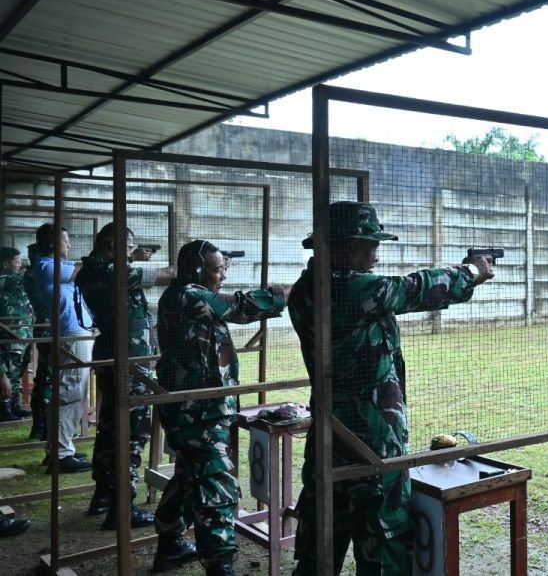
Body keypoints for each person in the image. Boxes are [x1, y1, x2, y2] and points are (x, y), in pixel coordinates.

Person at [288, 201, 496, 575]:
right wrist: (472, 271)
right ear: (348, 247)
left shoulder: (306, 288)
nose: (376, 254)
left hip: (330, 433)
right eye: (371, 245)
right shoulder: (351, 290)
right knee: (383, 544)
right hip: (371, 443)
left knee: (321, 540)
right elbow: (415, 288)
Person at [151, 240, 286, 576]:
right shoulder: (189, 295)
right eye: (217, 269)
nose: (223, 275)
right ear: (197, 270)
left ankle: (170, 544)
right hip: (197, 411)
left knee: (189, 476)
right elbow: (239, 307)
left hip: (197, 408)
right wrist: (286, 293)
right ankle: (219, 563)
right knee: (217, 482)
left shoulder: (184, 295)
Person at [76, 223, 175, 527]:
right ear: (111, 243)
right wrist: (181, 270)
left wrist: (132, 255)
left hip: (118, 355)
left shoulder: (96, 268)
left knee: (110, 426)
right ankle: (123, 508)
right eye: (128, 246)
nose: (131, 252)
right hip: (127, 361)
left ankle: (104, 495)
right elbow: (161, 275)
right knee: (132, 430)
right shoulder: (107, 271)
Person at [26, 224, 93, 473]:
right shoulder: (46, 266)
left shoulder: (56, 265)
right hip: (70, 333)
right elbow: (82, 269)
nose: (70, 245)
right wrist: (98, 260)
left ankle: (59, 449)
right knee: (69, 393)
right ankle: (61, 455)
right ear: (53, 243)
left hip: (75, 331)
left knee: (73, 391)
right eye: (66, 240)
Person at [0, 247, 34, 422]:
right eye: (17, 261)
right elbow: (29, 278)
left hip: (22, 333)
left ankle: (14, 404)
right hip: (10, 334)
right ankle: (4, 407)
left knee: (18, 371)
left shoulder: (15, 281)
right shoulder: (5, 279)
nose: (20, 265)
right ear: (5, 264)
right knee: (10, 370)